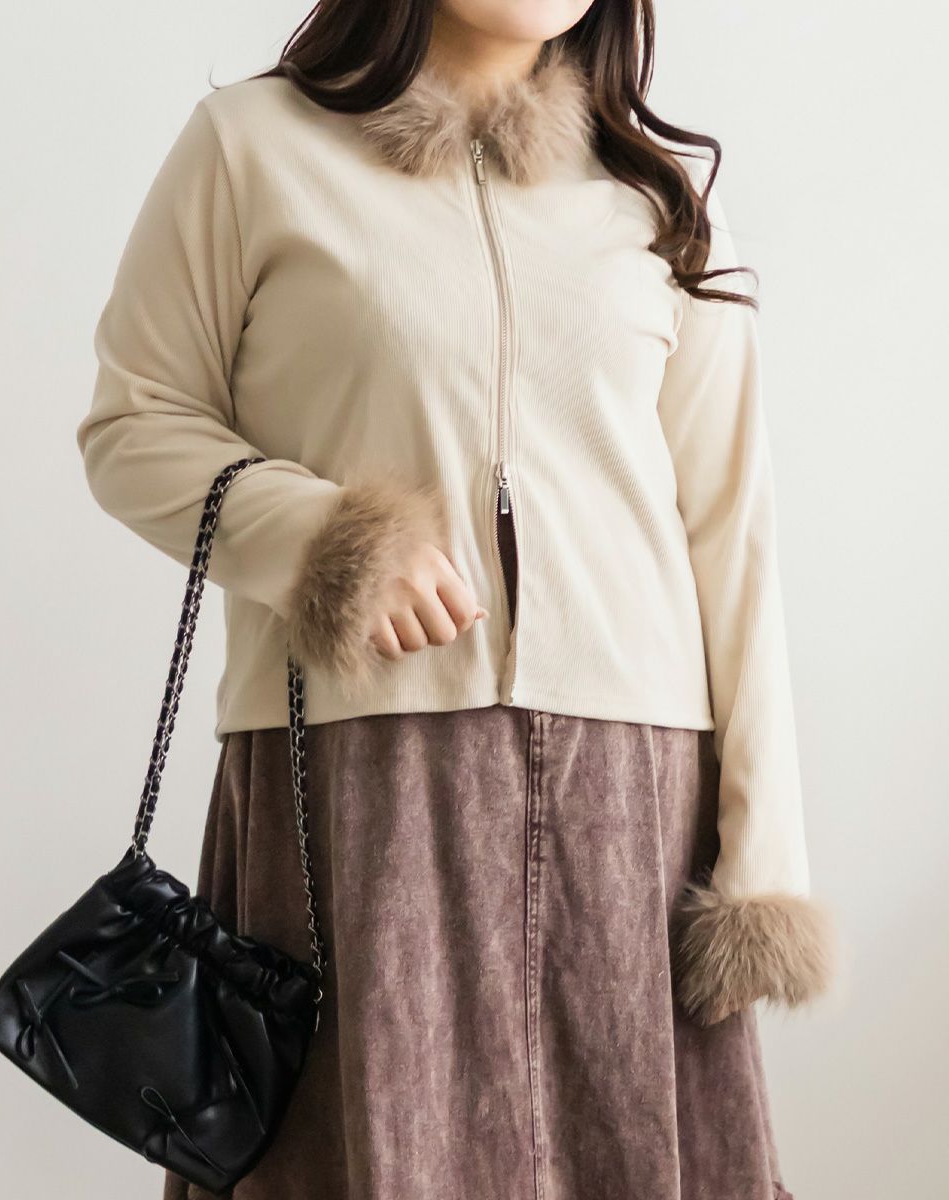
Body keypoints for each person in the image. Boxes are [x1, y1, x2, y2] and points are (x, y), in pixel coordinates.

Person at [75, 2, 836, 1197]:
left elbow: (730, 532)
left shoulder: (659, 192)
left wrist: (763, 857)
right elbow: (134, 427)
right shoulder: (252, 146)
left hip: (633, 806)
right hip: (358, 790)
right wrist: (321, 540)